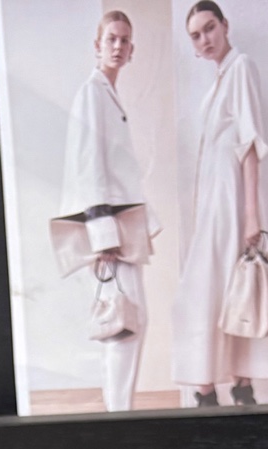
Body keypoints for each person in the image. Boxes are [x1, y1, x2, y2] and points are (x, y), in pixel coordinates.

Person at [171, 1, 268, 406]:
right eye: (195, 35)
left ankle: (235, 386)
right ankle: (215, 388)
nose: (204, 39)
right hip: (213, 203)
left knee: (235, 288)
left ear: (225, 26)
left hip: (232, 200)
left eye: (209, 28)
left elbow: (249, 144)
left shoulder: (241, 67)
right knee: (212, 290)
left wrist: (251, 214)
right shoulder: (218, 80)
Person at [57, 11, 154, 412]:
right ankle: (119, 417)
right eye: (111, 39)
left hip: (123, 226)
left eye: (124, 40)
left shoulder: (108, 95)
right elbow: (89, 165)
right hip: (111, 230)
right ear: (97, 46)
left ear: (132, 50)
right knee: (123, 323)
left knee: (128, 321)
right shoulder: (91, 93)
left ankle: (119, 412)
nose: (118, 46)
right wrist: (103, 238)